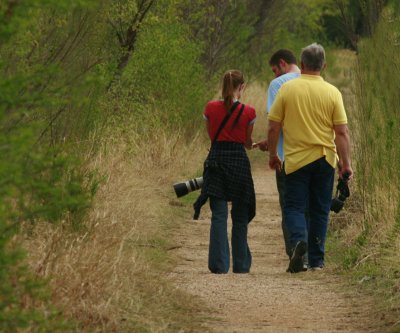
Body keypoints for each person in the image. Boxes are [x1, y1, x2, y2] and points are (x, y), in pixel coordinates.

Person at [267, 43, 353, 273]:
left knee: (294, 207)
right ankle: (316, 260)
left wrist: (274, 155)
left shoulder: (287, 90)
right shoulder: (332, 92)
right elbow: (342, 132)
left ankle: (298, 246)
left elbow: (273, 126)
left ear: (302, 65)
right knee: (320, 209)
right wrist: (346, 165)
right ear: (324, 66)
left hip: (296, 160)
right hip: (325, 159)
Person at [194, 69, 257, 274]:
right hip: (239, 161)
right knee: (239, 215)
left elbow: (211, 135)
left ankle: (219, 265)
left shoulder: (210, 108)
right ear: (242, 87)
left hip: (217, 161)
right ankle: (241, 265)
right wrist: (255, 144)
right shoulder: (249, 112)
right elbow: (247, 143)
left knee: (218, 215)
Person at [256, 49, 302, 260]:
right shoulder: (313, 79)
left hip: (286, 156)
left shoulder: (278, 85)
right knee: (309, 205)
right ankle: (314, 254)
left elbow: (276, 124)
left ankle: (294, 251)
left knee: (289, 206)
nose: (274, 75)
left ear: (282, 64)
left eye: (275, 70)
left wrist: (272, 151)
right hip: (313, 156)